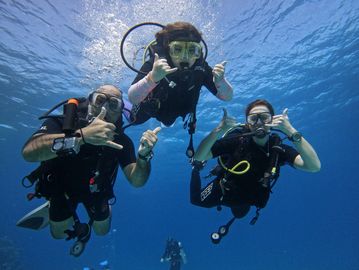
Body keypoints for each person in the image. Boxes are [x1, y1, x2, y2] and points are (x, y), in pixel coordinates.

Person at [21, 85, 160, 242]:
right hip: (61, 188)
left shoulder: (122, 141)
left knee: (102, 231)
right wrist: (81, 136)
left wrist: (144, 156)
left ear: (121, 111)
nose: (105, 108)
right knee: (58, 234)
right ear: (89, 101)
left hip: (96, 190)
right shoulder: (63, 123)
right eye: (100, 100)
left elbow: (137, 181)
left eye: (114, 104)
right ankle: (52, 204)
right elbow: (28, 152)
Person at [190, 99, 321, 243]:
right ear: (247, 123)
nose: (259, 123)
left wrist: (291, 131)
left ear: (272, 121)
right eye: (253, 118)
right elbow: (199, 156)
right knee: (196, 200)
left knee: (240, 214)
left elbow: (314, 166)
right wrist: (218, 129)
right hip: (223, 191)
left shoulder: (277, 149)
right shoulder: (237, 140)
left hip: (249, 198)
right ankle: (195, 170)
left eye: (264, 118)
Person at [127, 22, 233, 156]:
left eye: (192, 50)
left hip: (181, 109)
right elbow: (133, 98)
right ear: (167, 49)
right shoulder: (156, 63)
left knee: (169, 120)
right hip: (154, 107)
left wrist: (220, 81)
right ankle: (119, 102)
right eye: (177, 49)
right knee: (133, 120)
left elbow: (227, 97)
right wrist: (152, 78)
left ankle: (167, 122)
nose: (185, 57)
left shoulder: (201, 68)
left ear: (198, 52)